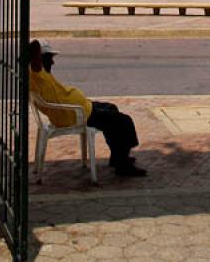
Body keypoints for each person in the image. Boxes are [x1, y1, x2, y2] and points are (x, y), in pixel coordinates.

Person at [29, 39, 146, 177]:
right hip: (75, 114)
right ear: (38, 58)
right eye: (49, 58)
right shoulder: (37, 73)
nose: (53, 62)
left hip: (78, 108)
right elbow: (34, 46)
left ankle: (118, 157)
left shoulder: (40, 73)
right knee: (124, 121)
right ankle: (123, 166)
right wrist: (30, 53)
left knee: (112, 108)